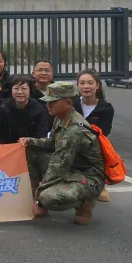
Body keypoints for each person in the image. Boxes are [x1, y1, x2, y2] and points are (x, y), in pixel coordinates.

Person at [23, 82, 105, 225]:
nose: (48, 105)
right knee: (30, 150)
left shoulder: (74, 130)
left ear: (68, 103)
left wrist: (39, 199)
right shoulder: (61, 117)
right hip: (71, 168)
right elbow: (52, 143)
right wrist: (30, 141)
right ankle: (35, 199)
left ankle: (85, 203)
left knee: (48, 197)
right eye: (48, 102)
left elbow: (58, 165)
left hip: (88, 177)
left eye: (53, 102)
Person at [74, 68, 115, 203]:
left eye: (90, 83)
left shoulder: (106, 108)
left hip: (93, 145)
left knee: (100, 145)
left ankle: (99, 183)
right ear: (77, 85)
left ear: (97, 85)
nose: (86, 86)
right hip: (72, 142)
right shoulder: (71, 103)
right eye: (82, 83)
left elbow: (104, 132)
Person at [0, 74, 51, 145]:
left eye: (24, 88)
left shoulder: (39, 110)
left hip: (32, 147)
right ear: (11, 90)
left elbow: (42, 134)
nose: (20, 92)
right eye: (16, 88)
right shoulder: (4, 109)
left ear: (30, 90)